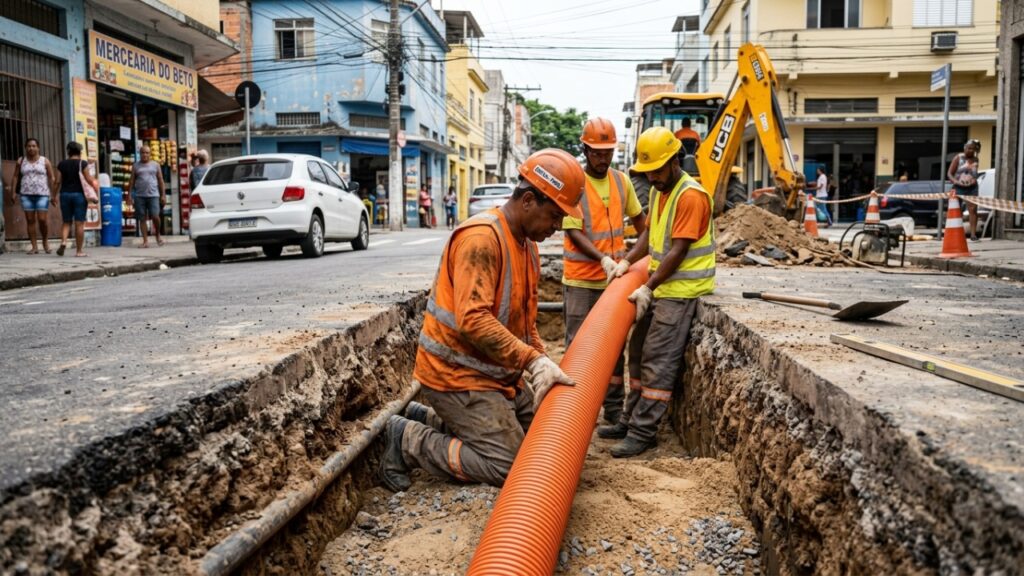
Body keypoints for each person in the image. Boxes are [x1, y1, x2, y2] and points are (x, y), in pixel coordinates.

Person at [380, 148, 585, 490]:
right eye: (555, 215)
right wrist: (532, 361)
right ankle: (408, 439)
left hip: (494, 374)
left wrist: (542, 363)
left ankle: (426, 418)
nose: (558, 226)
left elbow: (523, 321)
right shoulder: (482, 239)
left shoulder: (526, 245)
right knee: (510, 465)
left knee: (544, 439)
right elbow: (473, 320)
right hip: (456, 376)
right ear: (530, 200)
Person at [604, 127, 715, 458]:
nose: (651, 177)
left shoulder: (690, 195)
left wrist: (647, 289)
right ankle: (629, 418)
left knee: (657, 359)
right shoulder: (660, 190)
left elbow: (678, 251)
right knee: (636, 349)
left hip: (681, 289)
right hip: (662, 285)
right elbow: (649, 235)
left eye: (656, 169)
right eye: (647, 171)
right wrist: (626, 263)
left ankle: (643, 432)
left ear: (675, 160)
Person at [562, 117, 647, 429]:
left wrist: (632, 258)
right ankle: (575, 410)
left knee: (613, 348)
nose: (603, 158)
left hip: (614, 280)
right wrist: (603, 259)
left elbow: (643, 225)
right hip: (581, 280)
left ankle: (612, 409)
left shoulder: (622, 182)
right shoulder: (575, 184)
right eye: (597, 152)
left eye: (608, 152)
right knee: (578, 347)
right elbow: (574, 232)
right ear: (585, 149)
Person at [11, 138, 57, 254]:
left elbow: (52, 178)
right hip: (26, 195)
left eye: (34, 146)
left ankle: (45, 242)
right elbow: (15, 176)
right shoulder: (21, 161)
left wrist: (54, 194)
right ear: (26, 148)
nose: (31, 148)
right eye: (29, 146)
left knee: (42, 220)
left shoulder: (45, 161)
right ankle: (34, 246)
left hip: (42, 194)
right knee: (30, 220)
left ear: (38, 147)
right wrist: (13, 192)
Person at [54, 141, 98, 257]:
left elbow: (57, 181)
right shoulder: (82, 164)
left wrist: (53, 196)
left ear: (68, 151)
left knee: (66, 222)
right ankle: (79, 251)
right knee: (79, 224)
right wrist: (95, 188)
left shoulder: (61, 164)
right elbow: (88, 179)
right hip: (79, 196)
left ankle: (63, 242)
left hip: (65, 195)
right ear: (79, 152)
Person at [128, 145, 166, 247]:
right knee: (142, 218)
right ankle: (145, 241)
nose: (145, 155)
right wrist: (129, 196)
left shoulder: (156, 165)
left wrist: (163, 195)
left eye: (147, 153)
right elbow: (131, 181)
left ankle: (157, 235)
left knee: (155, 216)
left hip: (154, 195)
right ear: (140, 154)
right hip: (140, 196)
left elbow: (161, 180)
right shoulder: (136, 166)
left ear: (150, 154)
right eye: (143, 153)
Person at [947, 139, 981, 241]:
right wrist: (956, 182)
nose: (971, 151)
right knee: (956, 210)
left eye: (973, 149)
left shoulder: (976, 159)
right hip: (959, 187)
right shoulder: (958, 158)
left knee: (973, 210)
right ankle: (956, 233)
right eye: (969, 148)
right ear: (965, 148)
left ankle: (973, 235)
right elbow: (949, 173)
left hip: (972, 188)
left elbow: (974, 173)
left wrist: (974, 180)